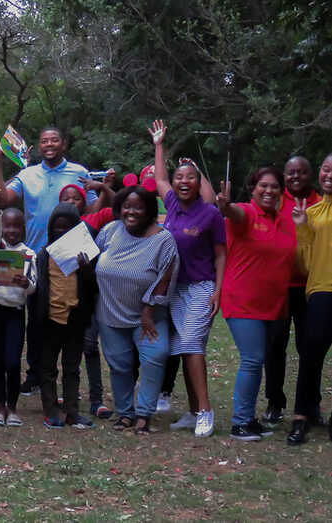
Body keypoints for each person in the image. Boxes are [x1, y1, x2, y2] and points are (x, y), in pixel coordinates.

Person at [0, 128, 110, 396]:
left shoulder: (79, 172)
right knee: (36, 318)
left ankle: (69, 375)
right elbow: (1, 198)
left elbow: (91, 211)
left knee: (71, 315)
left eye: (54, 139)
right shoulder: (28, 174)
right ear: (38, 145)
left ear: (64, 144)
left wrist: (102, 190)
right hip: (35, 255)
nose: (49, 144)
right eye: (44, 140)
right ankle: (35, 374)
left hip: (71, 255)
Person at [149, 120, 226, 437]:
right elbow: (160, 177)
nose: (182, 182)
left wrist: (219, 291)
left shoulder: (210, 214)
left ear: (198, 183)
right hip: (175, 289)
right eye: (180, 177)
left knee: (192, 345)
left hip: (201, 287)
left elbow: (221, 254)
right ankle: (194, 413)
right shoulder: (170, 205)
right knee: (183, 348)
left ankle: (206, 411)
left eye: (190, 177)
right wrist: (159, 145)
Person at [216, 168, 295, 441]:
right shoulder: (245, 213)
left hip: (275, 305)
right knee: (252, 360)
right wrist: (226, 207)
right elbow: (234, 214)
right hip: (243, 300)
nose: (269, 191)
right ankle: (240, 423)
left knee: (258, 360)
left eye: (275, 187)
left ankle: (249, 418)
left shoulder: (286, 221)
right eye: (263, 186)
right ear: (253, 188)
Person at [95, 186, 178, 434]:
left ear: (149, 210)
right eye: (126, 206)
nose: (131, 211)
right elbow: (94, 258)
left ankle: (144, 415)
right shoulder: (110, 230)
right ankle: (125, 414)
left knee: (156, 355)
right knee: (119, 364)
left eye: (138, 207)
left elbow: (166, 277)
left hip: (149, 316)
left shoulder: (164, 240)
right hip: (110, 313)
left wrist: (148, 311)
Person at [262, 156, 323, 427]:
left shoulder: (322, 203)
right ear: (284, 176)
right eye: (291, 173)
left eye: (302, 172)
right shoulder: (275, 200)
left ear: (311, 174)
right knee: (275, 347)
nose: (296, 177)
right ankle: (275, 403)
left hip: (311, 288)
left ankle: (310, 405)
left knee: (311, 348)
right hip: (280, 286)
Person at [35, 203, 97, 429]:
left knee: (72, 367)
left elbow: (93, 287)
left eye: (67, 228)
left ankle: (72, 412)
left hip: (76, 319)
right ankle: (51, 411)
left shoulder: (85, 256)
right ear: (51, 229)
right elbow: (38, 288)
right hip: (50, 319)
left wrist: (87, 269)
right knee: (48, 368)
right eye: (57, 228)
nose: (61, 232)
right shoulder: (44, 255)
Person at [58, 181, 115, 419]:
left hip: (89, 296)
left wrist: (103, 187)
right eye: (66, 198)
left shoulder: (91, 222)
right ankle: (69, 393)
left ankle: (97, 399)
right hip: (63, 298)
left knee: (90, 346)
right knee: (66, 348)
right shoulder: (55, 228)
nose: (71, 202)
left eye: (76, 198)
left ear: (85, 203)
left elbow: (119, 205)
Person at [287, 153, 332, 445]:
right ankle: (302, 415)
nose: (330, 174)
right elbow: (303, 265)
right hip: (321, 289)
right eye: (327, 169)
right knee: (311, 350)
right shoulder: (311, 213)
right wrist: (302, 227)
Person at [0, 207, 36, 427]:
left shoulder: (30, 253)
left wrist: (27, 285)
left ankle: (12, 409)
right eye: (7, 225)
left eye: (16, 226)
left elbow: (34, 287)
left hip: (15, 312)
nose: (11, 230)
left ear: (23, 228)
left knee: (12, 362)